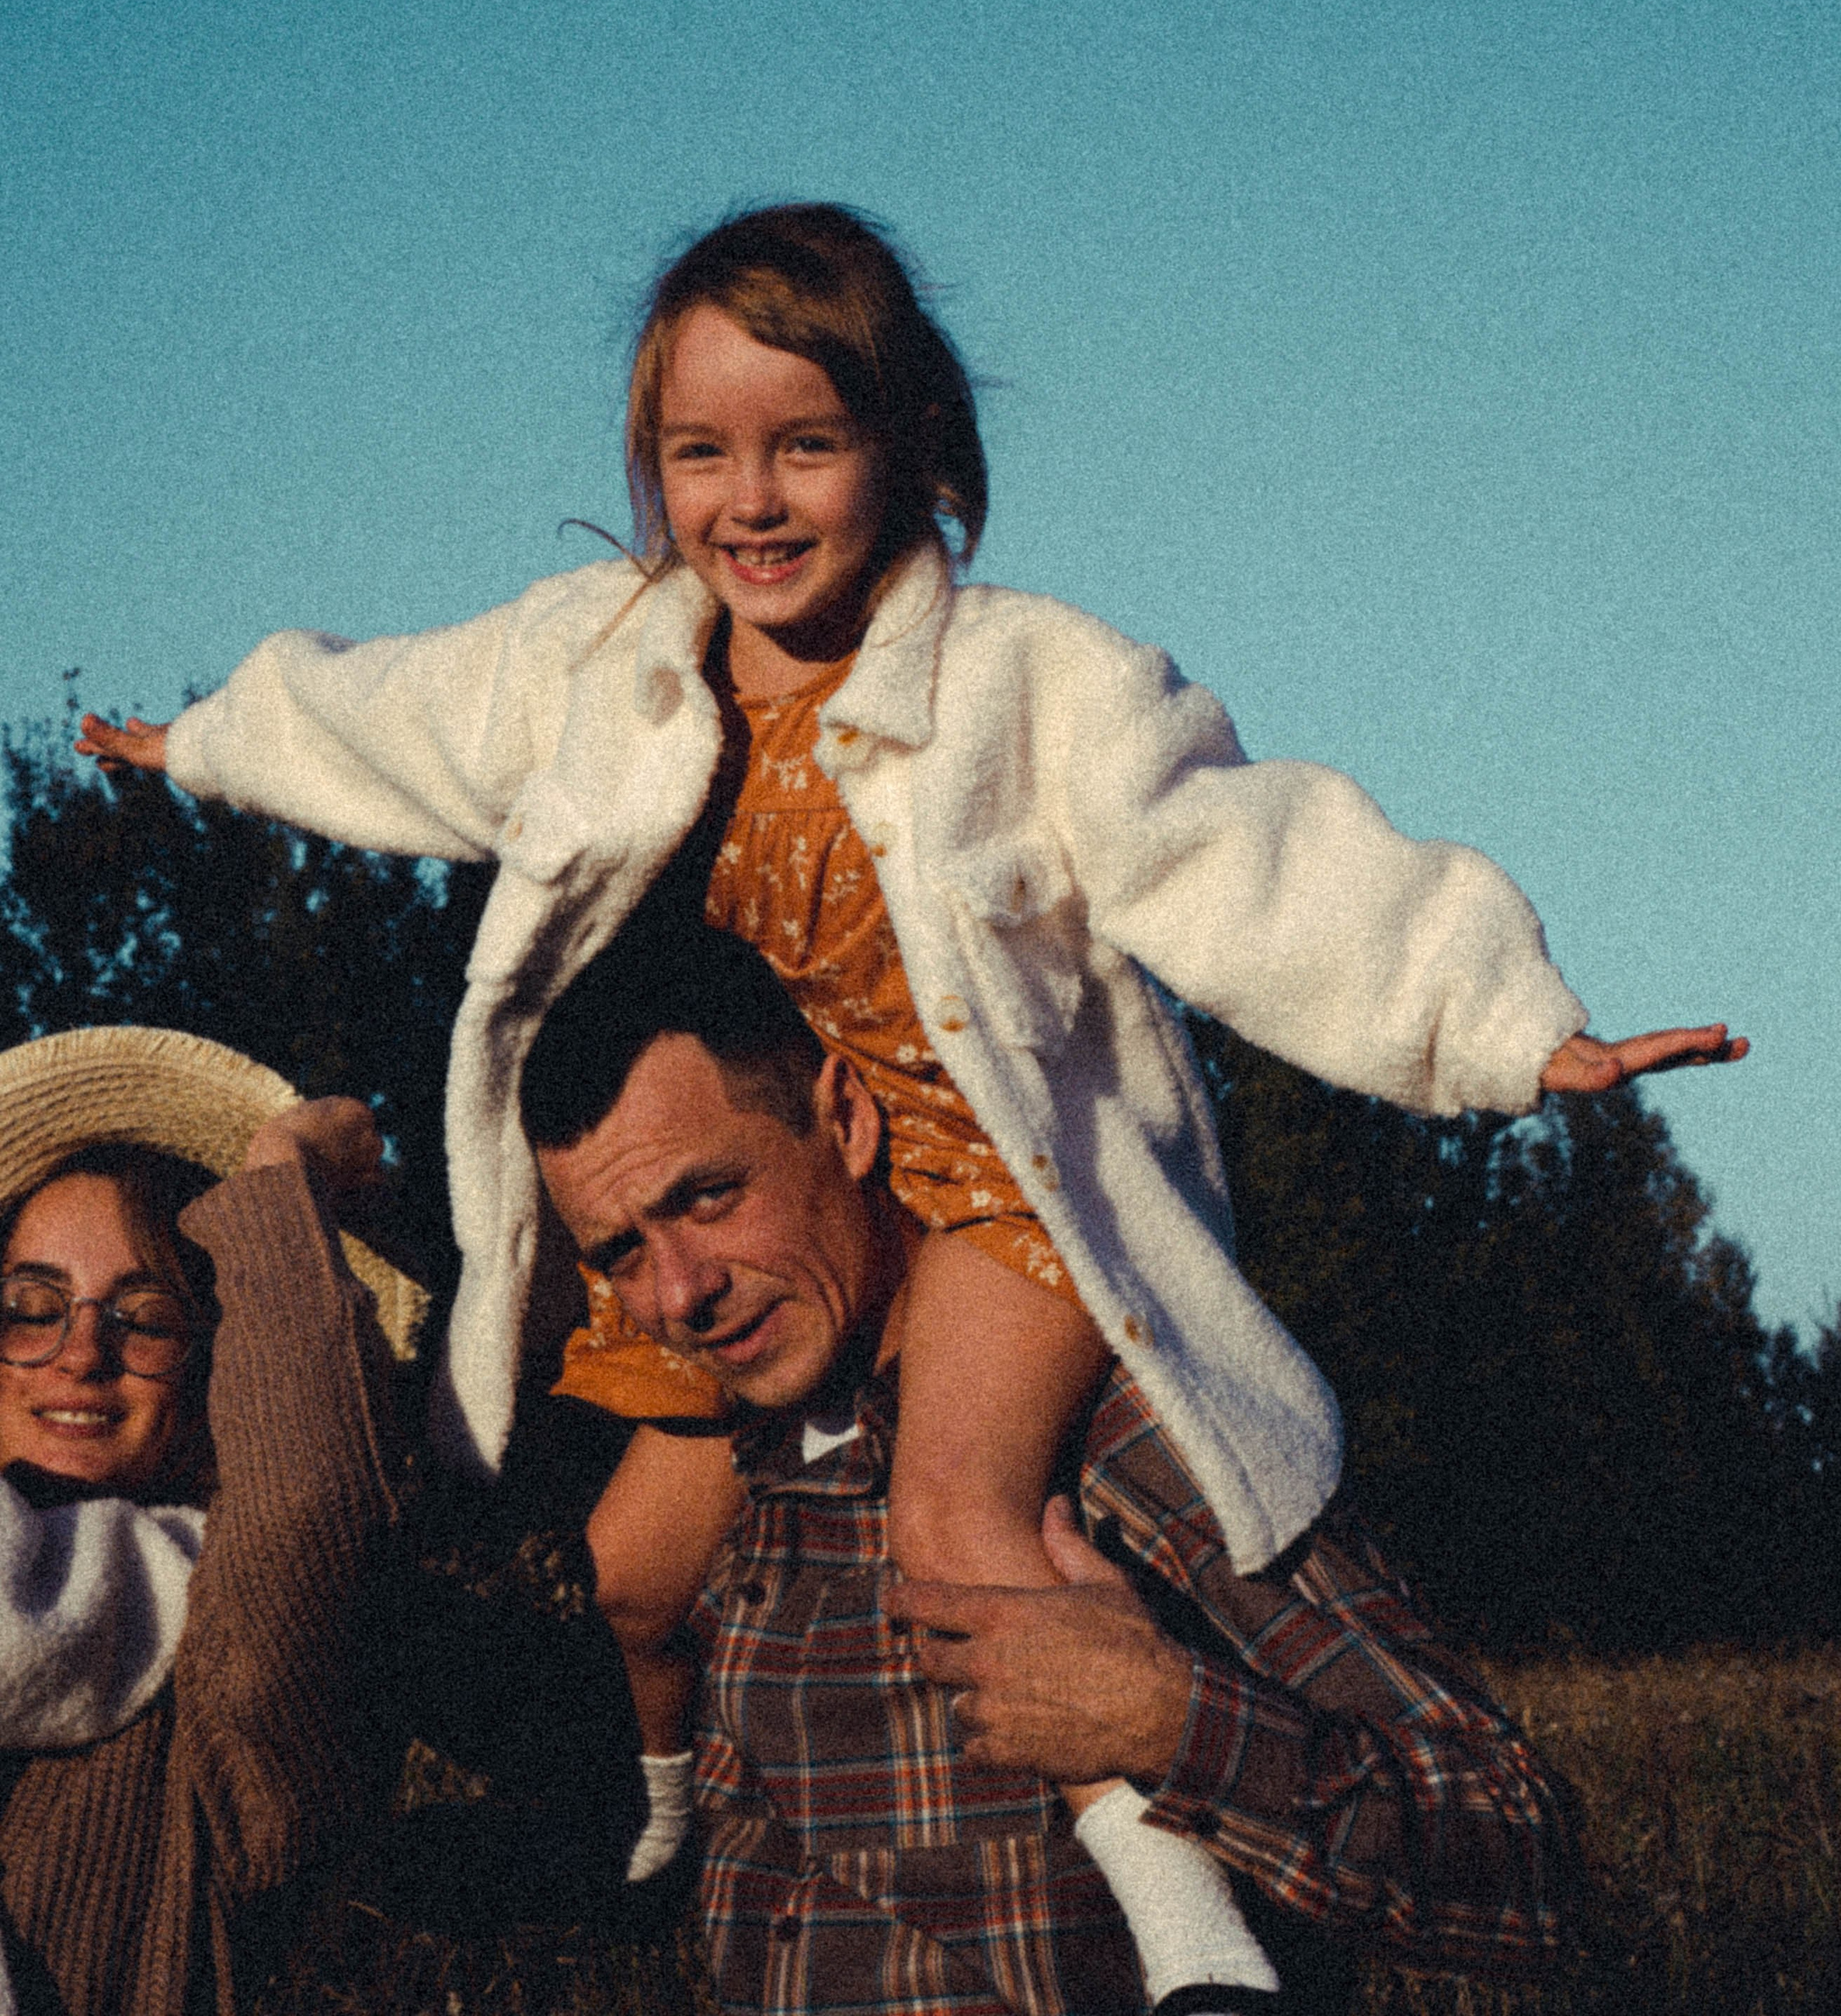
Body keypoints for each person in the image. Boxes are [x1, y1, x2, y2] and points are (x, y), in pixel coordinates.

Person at [77, 201, 1737, 1988]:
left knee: (962, 1523)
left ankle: (1187, 1933)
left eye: (807, 444)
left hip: (987, 1197)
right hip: (771, 1176)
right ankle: (664, 1817)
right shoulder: (607, 667)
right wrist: (219, 743)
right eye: (699, 453)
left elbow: (1237, 858)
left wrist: (1487, 1023)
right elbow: (400, 714)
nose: (753, 500)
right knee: (638, 1569)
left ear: (913, 452)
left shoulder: (1026, 688)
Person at [523, 924, 1581, 2016]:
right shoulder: (733, 1487)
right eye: (623, 1253)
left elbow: (1526, 1861)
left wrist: (1169, 1719)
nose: (682, 1292)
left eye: (709, 1198)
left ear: (845, 1119)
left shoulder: (1114, 1433)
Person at [0, 1025, 411, 2016]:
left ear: (219, 1365)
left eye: (145, 1319)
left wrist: (280, 1176)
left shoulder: (209, 1651)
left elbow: (307, 1510)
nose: (80, 1353)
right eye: (29, 1304)